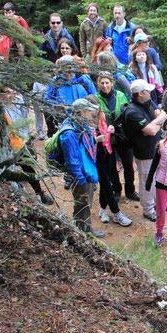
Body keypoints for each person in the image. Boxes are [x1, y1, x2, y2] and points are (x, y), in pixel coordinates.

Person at [122, 79, 167, 221]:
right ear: (141, 94)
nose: (150, 92)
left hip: (155, 147)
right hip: (144, 152)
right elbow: (151, 130)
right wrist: (156, 123)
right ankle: (148, 209)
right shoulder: (132, 111)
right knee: (147, 180)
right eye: (148, 91)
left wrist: (155, 124)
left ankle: (157, 202)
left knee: (158, 177)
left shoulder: (147, 102)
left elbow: (164, 115)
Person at [59, 98, 104, 238]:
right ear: (82, 112)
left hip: (85, 172)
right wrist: (82, 181)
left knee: (85, 203)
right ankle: (84, 233)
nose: (92, 114)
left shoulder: (78, 125)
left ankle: (83, 229)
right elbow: (72, 161)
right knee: (82, 203)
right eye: (89, 111)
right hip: (80, 176)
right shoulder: (69, 133)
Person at [88, 91, 132, 228]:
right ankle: (117, 213)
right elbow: (83, 143)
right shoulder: (83, 122)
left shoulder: (102, 116)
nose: (94, 111)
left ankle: (102, 209)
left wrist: (109, 130)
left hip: (108, 151)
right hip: (94, 156)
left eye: (96, 108)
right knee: (106, 184)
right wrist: (95, 140)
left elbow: (106, 134)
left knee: (107, 183)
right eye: (91, 109)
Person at [94, 71, 138, 202]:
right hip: (107, 140)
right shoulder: (96, 99)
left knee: (128, 165)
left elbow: (127, 112)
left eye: (107, 82)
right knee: (112, 167)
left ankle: (130, 191)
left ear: (112, 83)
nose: (105, 85)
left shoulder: (120, 95)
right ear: (98, 84)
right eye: (102, 83)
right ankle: (117, 189)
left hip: (123, 137)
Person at [44, 57, 96, 136]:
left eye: (70, 67)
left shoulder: (83, 79)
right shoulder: (55, 81)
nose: (68, 71)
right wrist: (57, 105)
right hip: (64, 121)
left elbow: (94, 96)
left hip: (84, 118)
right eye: (65, 67)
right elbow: (47, 100)